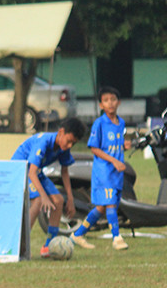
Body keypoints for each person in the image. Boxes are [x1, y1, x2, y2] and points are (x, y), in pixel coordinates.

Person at [12, 117, 86, 257]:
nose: (70, 145)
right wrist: (44, 197)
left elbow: (64, 171)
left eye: (73, 143)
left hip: (35, 172)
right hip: (20, 170)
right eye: (69, 141)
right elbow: (31, 173)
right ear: (61, 132)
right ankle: (20, 245)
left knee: (58, 200)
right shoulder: (43, 142)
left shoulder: (64, 147)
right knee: (38, 200)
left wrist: (70, 198)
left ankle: (49, 246)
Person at [72, 86, 129, 250]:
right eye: (106, 100)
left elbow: (113, 145)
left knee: (101, 207)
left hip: (116, 172)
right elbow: (95, 148)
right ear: (101, 105)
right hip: (104, 171)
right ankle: (117, 238)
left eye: (113, 99)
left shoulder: (121, 122)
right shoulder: (99, 123)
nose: (110, 103)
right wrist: (114, 161)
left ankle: (78, 234)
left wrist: (124, 146)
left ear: (119, 102)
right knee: (110, 203)